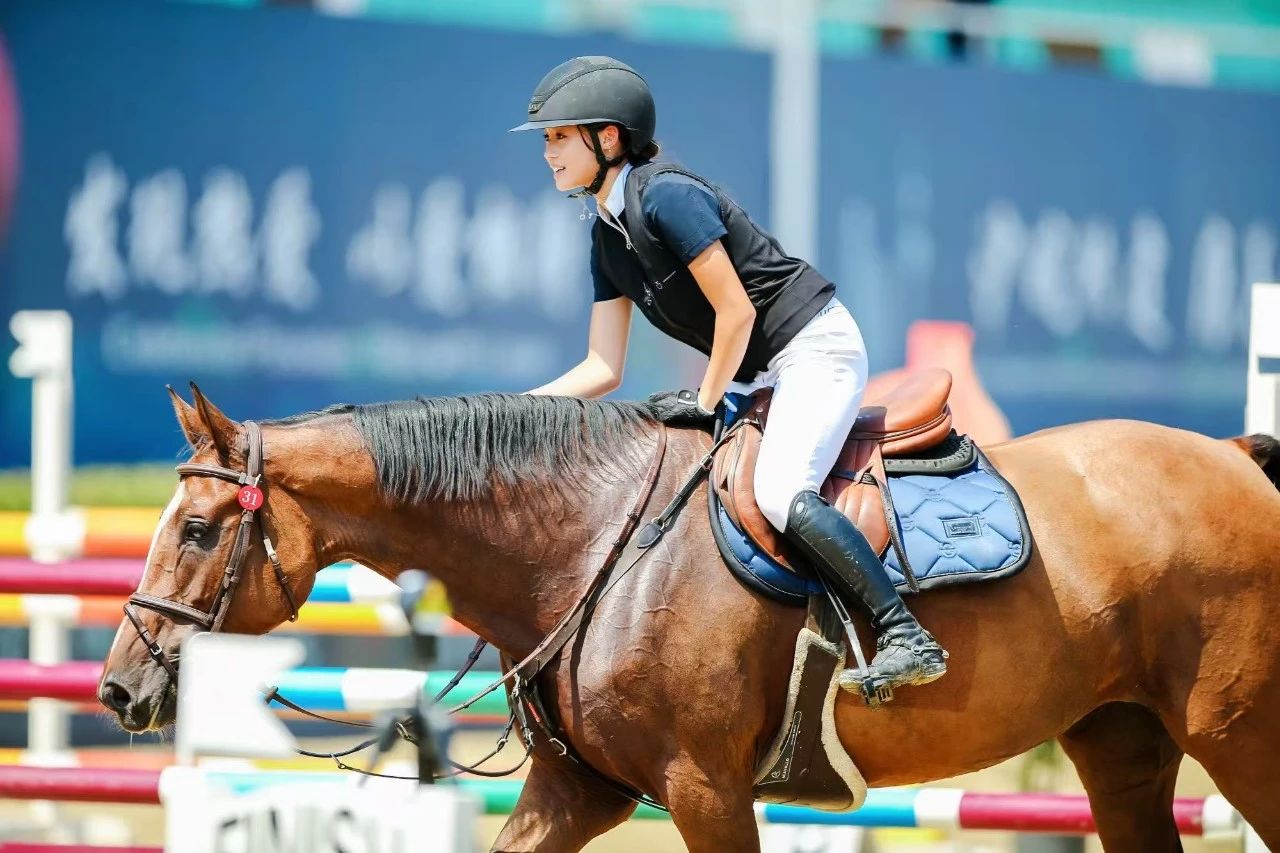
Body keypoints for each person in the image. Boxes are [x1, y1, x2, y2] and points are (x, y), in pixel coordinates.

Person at [514, 56, 946, 699]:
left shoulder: (667, 195)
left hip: (813, 349)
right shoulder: (606, 237)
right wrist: (512, 408)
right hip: (763, 371)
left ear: (608, 138)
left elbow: (737, 313)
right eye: (546, 139)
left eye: (559, 136)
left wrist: (707, 396)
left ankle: (905, 634)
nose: (548, 152)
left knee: (778, 492)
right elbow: (603, 367)